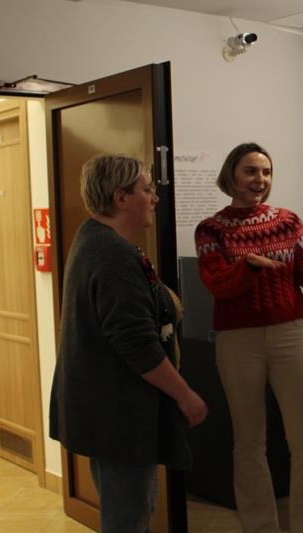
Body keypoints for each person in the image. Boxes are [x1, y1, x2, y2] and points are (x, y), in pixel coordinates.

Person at [194, 142, 303, 533]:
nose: (260, 179)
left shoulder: (288, 222)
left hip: (289, 334)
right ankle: (260, 526)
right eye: (250, 171)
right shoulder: (211, 229)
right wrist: (249, 267)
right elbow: (216, 283)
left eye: (266, 172)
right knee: (249, 441)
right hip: (238, 341)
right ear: (231, 175)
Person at [49, 154, 208, 533]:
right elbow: (136, 344)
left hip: (106, 408)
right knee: (129, 518)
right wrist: (185, 395)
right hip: (118, 414)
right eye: (147, 189)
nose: (155, 197)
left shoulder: (93, 238)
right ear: (121, 198)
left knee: (130, 511)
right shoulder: (112, 254)